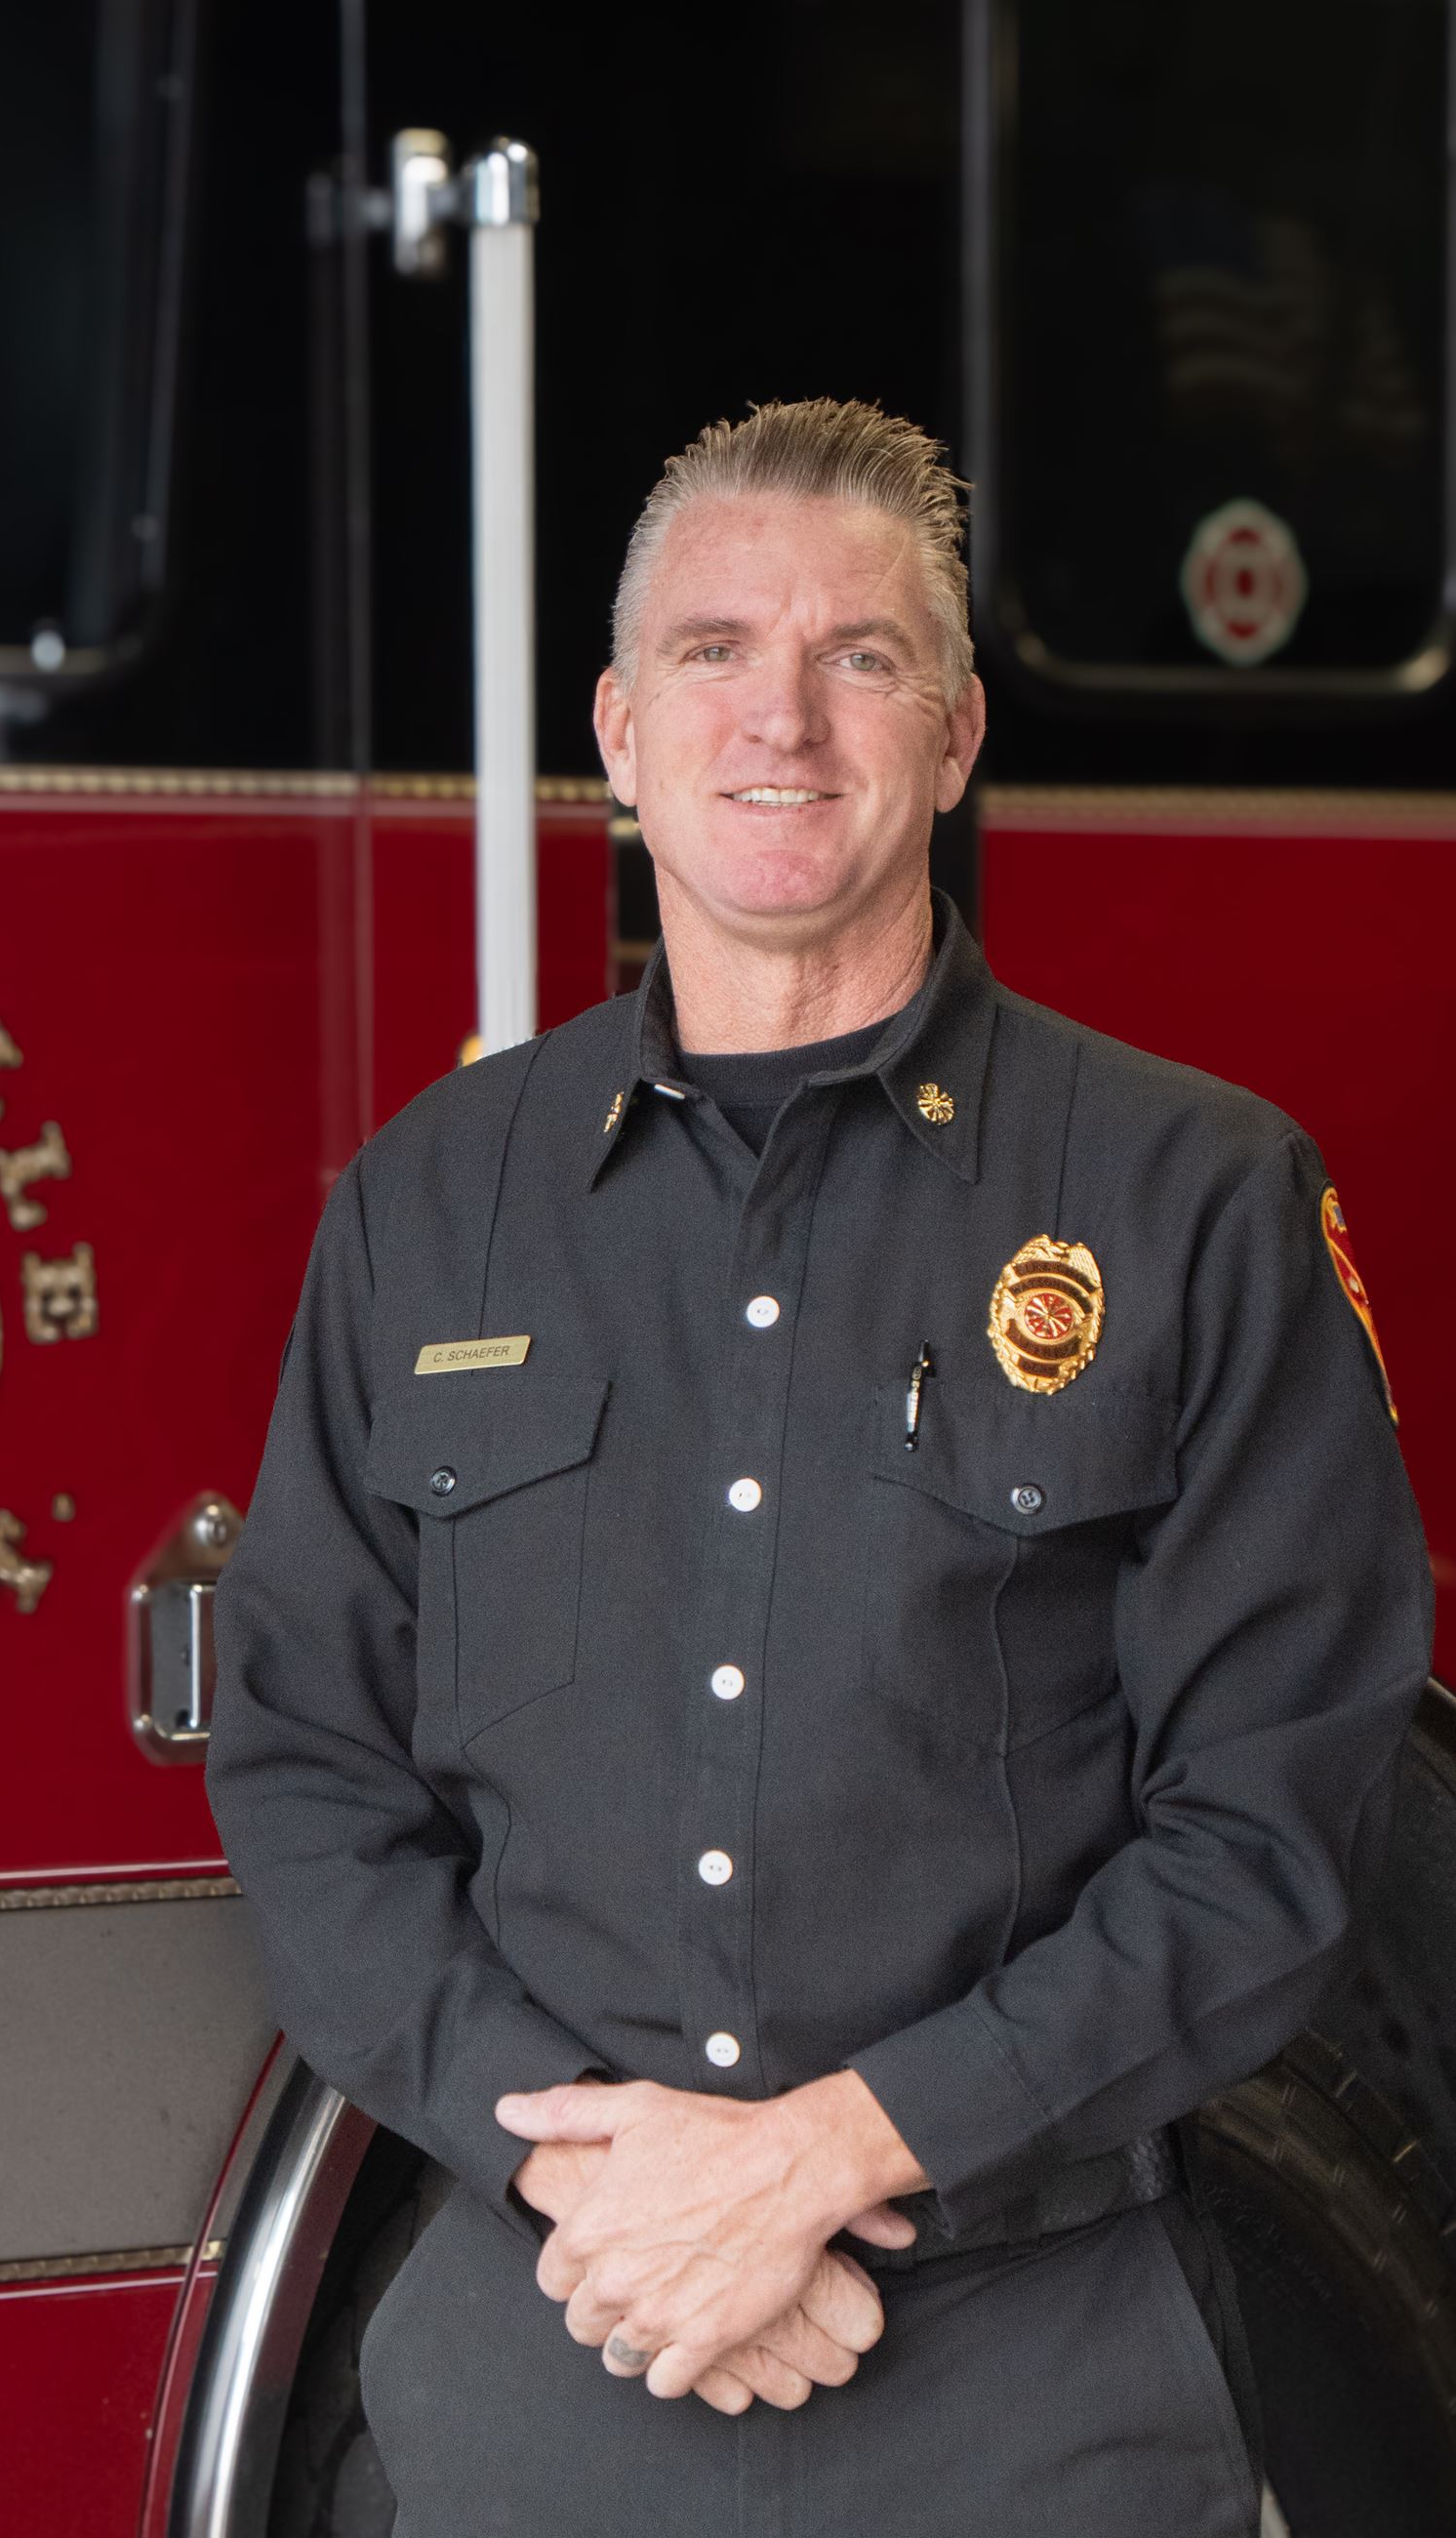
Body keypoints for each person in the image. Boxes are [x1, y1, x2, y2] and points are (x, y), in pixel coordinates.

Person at [205, 398, 1432, 2536]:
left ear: (953, 736)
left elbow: (1271, 1833)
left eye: (862, 654)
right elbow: (310, 1765)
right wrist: (609, 2178)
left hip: (1032, 2381)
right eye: (712, 650)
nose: (782, 710)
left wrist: (821, 2156)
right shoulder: (427, 1202)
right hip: (539, 2352)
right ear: (617, 723)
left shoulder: (1198, 1201)